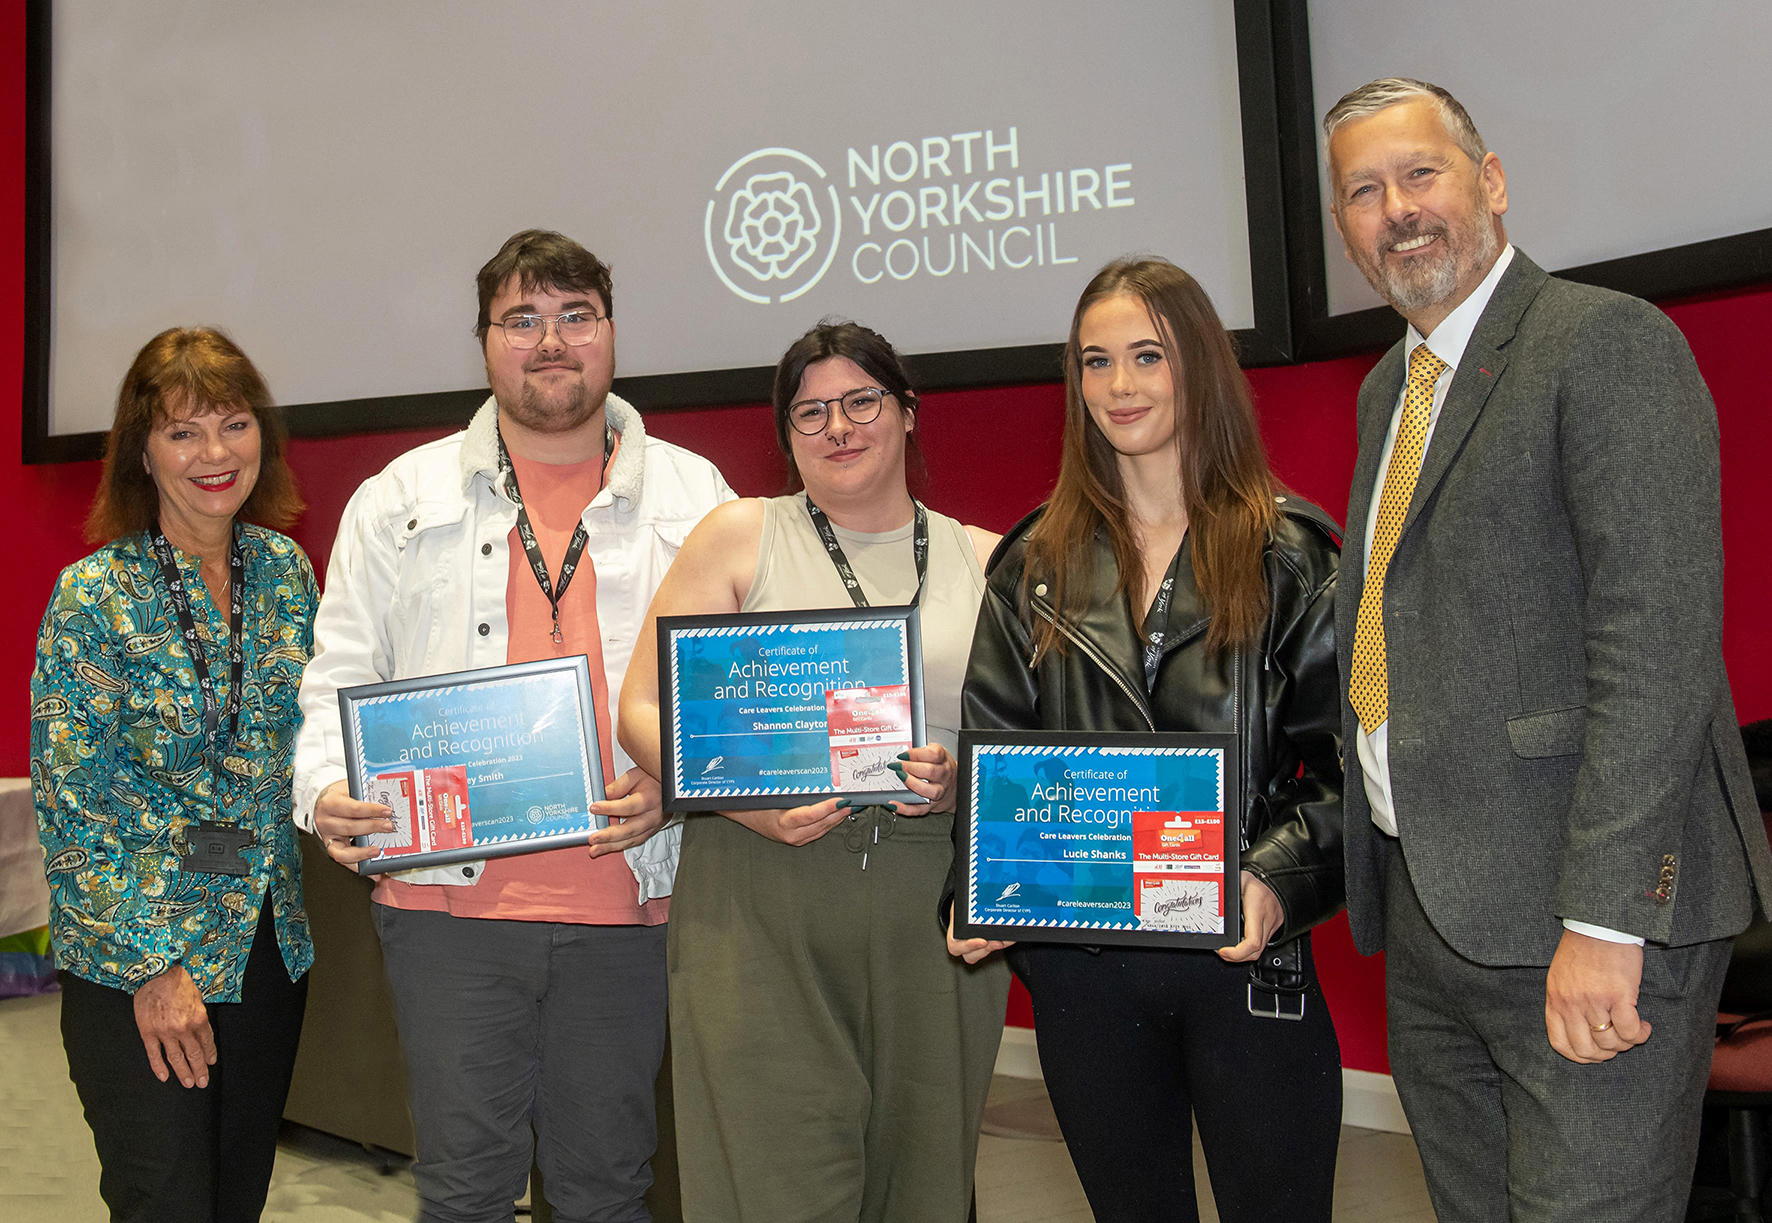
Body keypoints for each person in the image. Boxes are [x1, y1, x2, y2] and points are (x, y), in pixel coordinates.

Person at [1322, 77, 1772, 1221]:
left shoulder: (1604, 343)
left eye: (1418, 173)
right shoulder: (1390, 388)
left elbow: (1656, 645)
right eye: (1362, 192)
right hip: (1430, 915)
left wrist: (1604, 918)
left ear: (1490, 181)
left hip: (1580, 918)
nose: (1395, 210)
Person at [292, 229, 733, 1223]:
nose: (550, 343)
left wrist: (681, 783)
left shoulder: (697, 498)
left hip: (630, 904)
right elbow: (337, 677)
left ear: (610, 335)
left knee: (604, 1187)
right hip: (448, 914)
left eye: (575, 316)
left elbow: (732, 694)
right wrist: (323, 788)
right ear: (485, 341)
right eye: (522, 320)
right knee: (463, 1190)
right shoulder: (398, 499)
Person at [952, 258, 1346, 1222]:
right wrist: (976, 888)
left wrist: (1273, 880)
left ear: (1198, 366)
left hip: (1247, 966)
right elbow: (992, 758)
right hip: (1086, 981)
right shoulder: (1032, 562)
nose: (1119, 387)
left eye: (1146, 357)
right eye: (1096, 361)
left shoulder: (1291, 551)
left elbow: (1348, 777)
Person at [617, 320, 1012, 1223]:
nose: (839, 426)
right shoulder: (739, 536)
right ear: (787, 432)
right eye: (810, 411)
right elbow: (640, 712)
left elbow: (1027, 749)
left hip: (933, 904)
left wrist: (962, 782)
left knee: (925, 1184)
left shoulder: (987, 558)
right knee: (772, 1181)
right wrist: (744, 803)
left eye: (862, 401)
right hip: (758, 897)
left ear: (907, 413)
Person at [31, 327, 317, 1222]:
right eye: (183, 431)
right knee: (167, 1202)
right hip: (140, 960)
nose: (215, 453)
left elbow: (325, 741)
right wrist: (154, 967)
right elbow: (73, 813)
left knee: (235, 1201)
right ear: (142, 453)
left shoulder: (288, 573)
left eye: (233, 424)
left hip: (268, 944)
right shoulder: (92, 596)